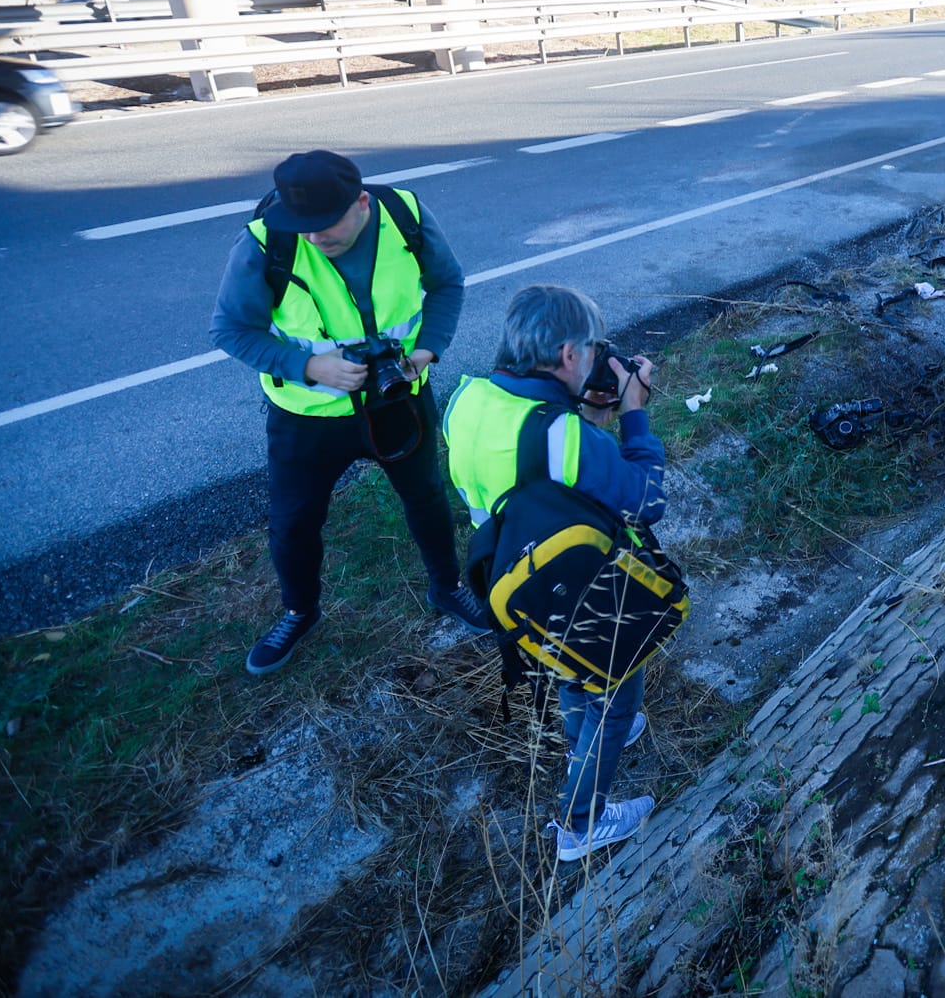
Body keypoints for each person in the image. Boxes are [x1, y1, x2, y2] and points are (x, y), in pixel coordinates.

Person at [211, 149, 488, 676]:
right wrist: (308, 366)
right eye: (303, 227)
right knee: (293, 524)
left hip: (400, 399)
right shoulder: (265, 241)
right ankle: (299, 611)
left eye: (326, 225)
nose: (314, 237)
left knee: (427, 497)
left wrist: (427, 349)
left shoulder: (405, 213)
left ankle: (448, 587)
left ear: (362, 202)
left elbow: (446, 285)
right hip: (307, 418)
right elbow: (229, 329)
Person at [443, 284, 668, 863]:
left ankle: (579, 743)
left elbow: (538, 474)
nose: (596, 359)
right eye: (591, 350)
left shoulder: (465, 401)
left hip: (509, 578)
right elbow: (644, 499)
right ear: (568, 355)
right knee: (617, 691)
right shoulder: (562, 436)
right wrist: (634, 413)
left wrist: (590, 414)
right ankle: (580, 822)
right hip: (576, 580)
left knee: (568, 664)